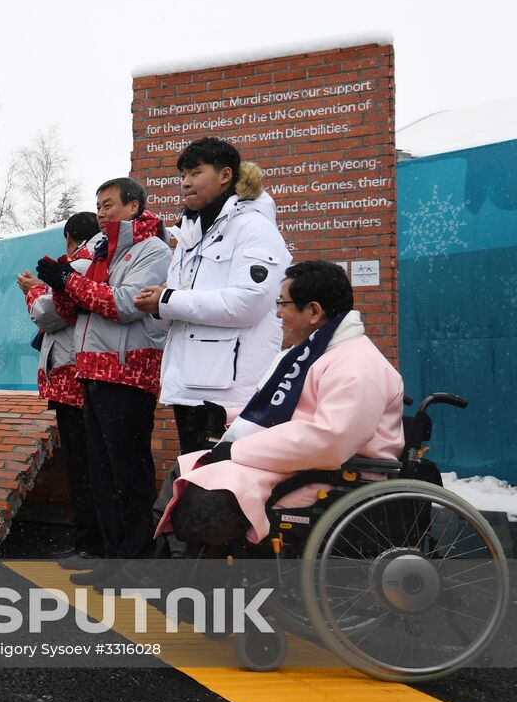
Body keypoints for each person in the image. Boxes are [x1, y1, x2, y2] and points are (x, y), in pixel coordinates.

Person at [157, 261, 404, 548]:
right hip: (300, 464)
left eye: (282, 304)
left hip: (335, 478)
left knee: (205, 497)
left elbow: (330, 440)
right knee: (186, 469)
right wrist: (224, 416)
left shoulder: (356, 364)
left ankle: (188, 571)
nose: (277, 313)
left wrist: (237, 448)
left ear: (313, 311)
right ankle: (174, 563)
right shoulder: (312, 353)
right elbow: (286, 412)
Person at [36, 178, 170, 575]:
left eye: (109, 205)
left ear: (133, 206)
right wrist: (60, 283)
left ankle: (136, 561)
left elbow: (124, 305)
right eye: (98, 205)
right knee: (102, 472)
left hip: (129, 371)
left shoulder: (153, 249)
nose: (101, 213)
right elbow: (74, 308)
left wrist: (67, 281)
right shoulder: (100, 249)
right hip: (91, 369)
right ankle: (112, 557)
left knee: (128, 471)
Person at [133, 138, 291, 457]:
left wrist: (167, 301)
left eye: (194, 172)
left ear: (225, 175)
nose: (185, 183)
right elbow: (176, 314)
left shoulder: (253, 228)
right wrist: (157, 308)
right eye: (182, 176)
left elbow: (247, 303)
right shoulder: (191, 234)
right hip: (189, 386)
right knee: (195, 488)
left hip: (229, 394)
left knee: (224, 490)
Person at [16, 211, 102, 561]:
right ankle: (93, 541)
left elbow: (48, 313)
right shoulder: (95, 259)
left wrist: (33, 289)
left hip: (73, 376)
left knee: (84, 467)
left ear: (70, 237)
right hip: (82, 375)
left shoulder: (80, 263)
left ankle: (90, 544)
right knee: (89, 465)